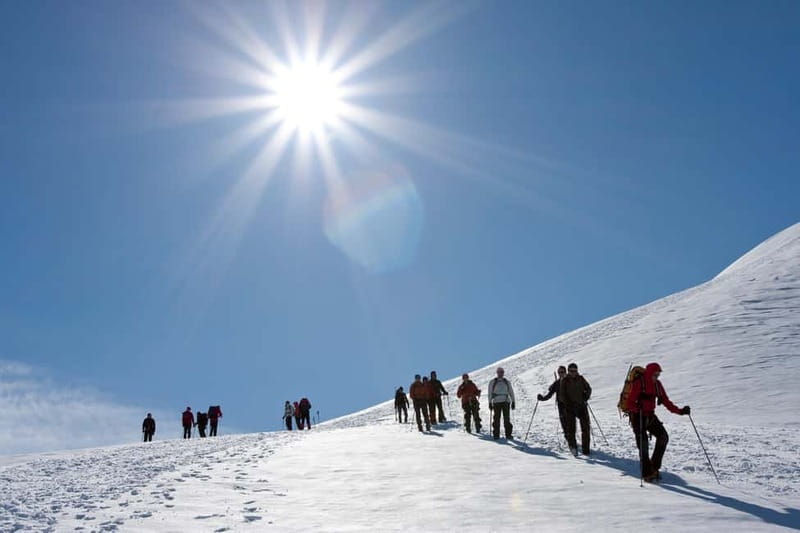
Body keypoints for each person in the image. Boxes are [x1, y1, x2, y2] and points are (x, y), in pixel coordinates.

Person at [626, 362, 690, 482]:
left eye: (658, 375)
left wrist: (680, 411)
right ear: (650, 373)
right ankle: (647, 474)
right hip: (638, 417)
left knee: (663, 437)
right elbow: (629, 403)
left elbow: (666, 401)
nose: (657, 377)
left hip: (650, 416)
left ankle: (654, 468)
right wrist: (636, 407)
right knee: (643, 446)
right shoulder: (639, 383)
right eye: (655, 375)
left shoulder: (657, 385)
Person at [559, 363, 592, 456]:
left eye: (575, 370)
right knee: (571, 429)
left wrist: (586, 396)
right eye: (571, 371)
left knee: (585, 428)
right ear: (568, 371)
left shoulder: (581, 378)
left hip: (581, 405)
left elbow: (588, 388)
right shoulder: (565, 381)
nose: (574, 373)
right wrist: (567, 404)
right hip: (570, 407)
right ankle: (573, 447)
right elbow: (562, 395)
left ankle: (586, 449)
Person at [537, 366, 568, 444]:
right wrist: (542, 398)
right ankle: (568, 438)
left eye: (563, 372)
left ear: (566, 372)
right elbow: (549, 394)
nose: (561, 374)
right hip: (561, 405)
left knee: (570, 422)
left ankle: (571, 438)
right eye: (560, 372)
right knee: (564, 422)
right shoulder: (557, 383)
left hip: (570, 405)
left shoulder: (570, 381)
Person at [488, 367, 515, 440]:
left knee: (506, 419)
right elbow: (490, 393)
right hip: (496, 402)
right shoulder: (493, 382)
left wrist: (513, 401)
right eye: (499, 372)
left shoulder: (506, 382)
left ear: (503, 373)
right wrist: (490, 403)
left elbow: (511, 392)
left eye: (502, 372)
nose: (500, 373)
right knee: (496, 419)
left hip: (506, 401)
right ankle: (496, 435)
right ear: (497, 373)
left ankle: (508, 435)